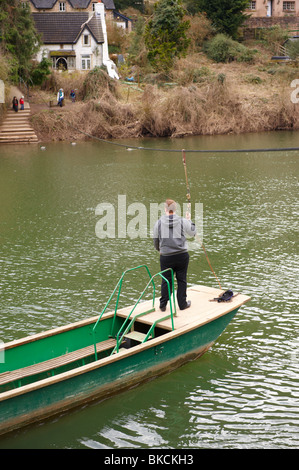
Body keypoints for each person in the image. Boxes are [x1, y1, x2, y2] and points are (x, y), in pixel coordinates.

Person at [153, 199, 196, 312]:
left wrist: (161, 250)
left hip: (166, 257)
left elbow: (155, 241)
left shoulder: (158, 223)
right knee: (181, 279)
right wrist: (189, 220)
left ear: (165, 209)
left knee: (166, 280)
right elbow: (193, 233)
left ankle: (163, 305)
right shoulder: (182, 221)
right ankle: (182, 304)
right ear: (175, 209)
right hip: (182, 255)